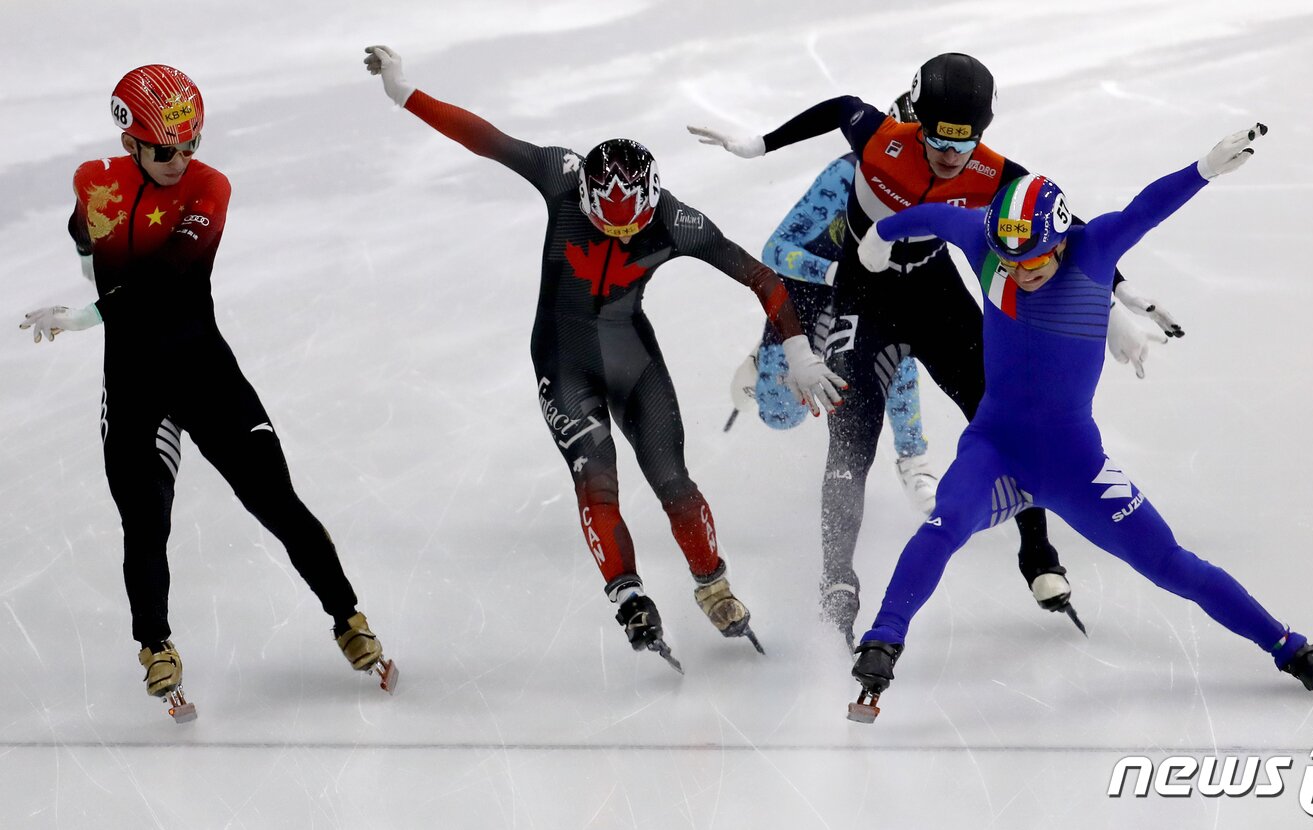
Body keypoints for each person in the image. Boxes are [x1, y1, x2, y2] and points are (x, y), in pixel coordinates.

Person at [846, 124, 1313, 718]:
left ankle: (1291, 649)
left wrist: (1202, 170)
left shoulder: (1093, 250)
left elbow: (1145, 208)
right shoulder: (988, 242)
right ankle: (883, 641)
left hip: (1074, 467)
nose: (1020, 272)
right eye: (1009, 261)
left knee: (1173, 566)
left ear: (1062, 240)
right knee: (944, 525)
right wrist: (879, 237)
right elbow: (935, 216)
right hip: (993, 448)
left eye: (1034, 260)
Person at [362, 46, 845, 672]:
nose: (618, 236)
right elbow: (485, 138)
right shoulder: (561, 176)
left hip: (629, 354)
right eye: (605, 225)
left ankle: (713, 584)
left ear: (650, 203)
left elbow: (763, 278)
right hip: (564, 360)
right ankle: (629, 594)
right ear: (586, 198)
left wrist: (798, 349)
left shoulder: (677, 220)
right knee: (596, 478)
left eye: (630, 228)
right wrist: (406, 93)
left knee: (672, 478)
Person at [690, 54, 1181, 646]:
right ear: (917, 120)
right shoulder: (877, 137)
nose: (952, 158)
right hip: (862, 295)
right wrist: (759, 145)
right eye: (939, 141)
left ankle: (1038, 552)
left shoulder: (999, 171)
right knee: (852, 438)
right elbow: (838, 107)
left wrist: (1119, 296)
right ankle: (836, 578)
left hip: (934, 290)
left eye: (966, 143)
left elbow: (1067, 229)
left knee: (1003, 418)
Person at [19, 64, 395, 719]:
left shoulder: (209, 187)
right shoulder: (94, 181)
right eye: (167, 150)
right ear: (130, 141)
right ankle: (155, 646)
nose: (181, 160)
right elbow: (85, 231)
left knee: (276, 502)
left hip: (205, 375)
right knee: (145, 519)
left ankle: (348, 617)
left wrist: (81, 315)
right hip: (135, 386)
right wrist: (88, 255)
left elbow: (165, 282)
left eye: (192, 146)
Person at [728, 93, 942, 517]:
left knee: (895, 356)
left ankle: (914, 459)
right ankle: (761, 359)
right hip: (808, 295)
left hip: (866, 298)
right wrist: (833, 273)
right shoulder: (842, 177)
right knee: (780, 415)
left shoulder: (939, 183)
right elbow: (775, 250)